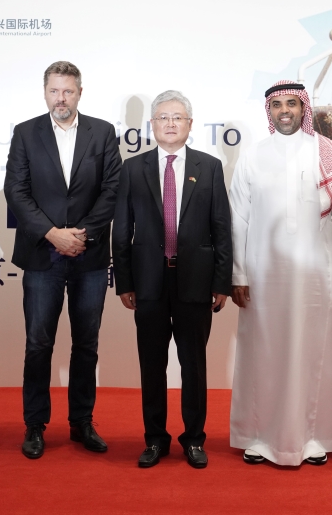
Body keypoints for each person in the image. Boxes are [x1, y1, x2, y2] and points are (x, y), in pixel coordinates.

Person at [229, 80, 332, 467]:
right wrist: (238, 274)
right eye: (278, 105)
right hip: (263, 273)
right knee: (263, 352)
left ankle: (314, 436)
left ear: (304, 108)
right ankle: (258, 436)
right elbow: (237, 219)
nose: (285, 110)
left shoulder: (327, 154)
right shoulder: (253, 156)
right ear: (269, 111)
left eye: (292, 104)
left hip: (315, 273)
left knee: (313, 351)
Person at [4, 61, 121, 458]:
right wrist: (52, 233)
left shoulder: (102, 132)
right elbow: (16, 191)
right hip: (43, 255)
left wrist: (82, 234)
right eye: (54, 91)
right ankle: (35, 425)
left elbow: (112, 189)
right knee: (39, 343)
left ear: (79, 93)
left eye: (68, 91)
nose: (61, 99)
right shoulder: (26, 133)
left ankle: (81, 422)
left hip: (89, 255)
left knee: (86, 343)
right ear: (45, 93)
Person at [112, 90, 232, 469]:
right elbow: (122, 230)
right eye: (163, 117)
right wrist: (124, 281)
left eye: (177, 117)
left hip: (195, 280)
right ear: (152, 124)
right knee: (152, 364)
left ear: (190, 124)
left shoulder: (209, 167)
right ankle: (154, 439)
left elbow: (222, 228)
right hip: (148, 281)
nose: (170, 123)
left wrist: (222, 282)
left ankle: (194, 439)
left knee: (194, 364)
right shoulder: (133, 168)